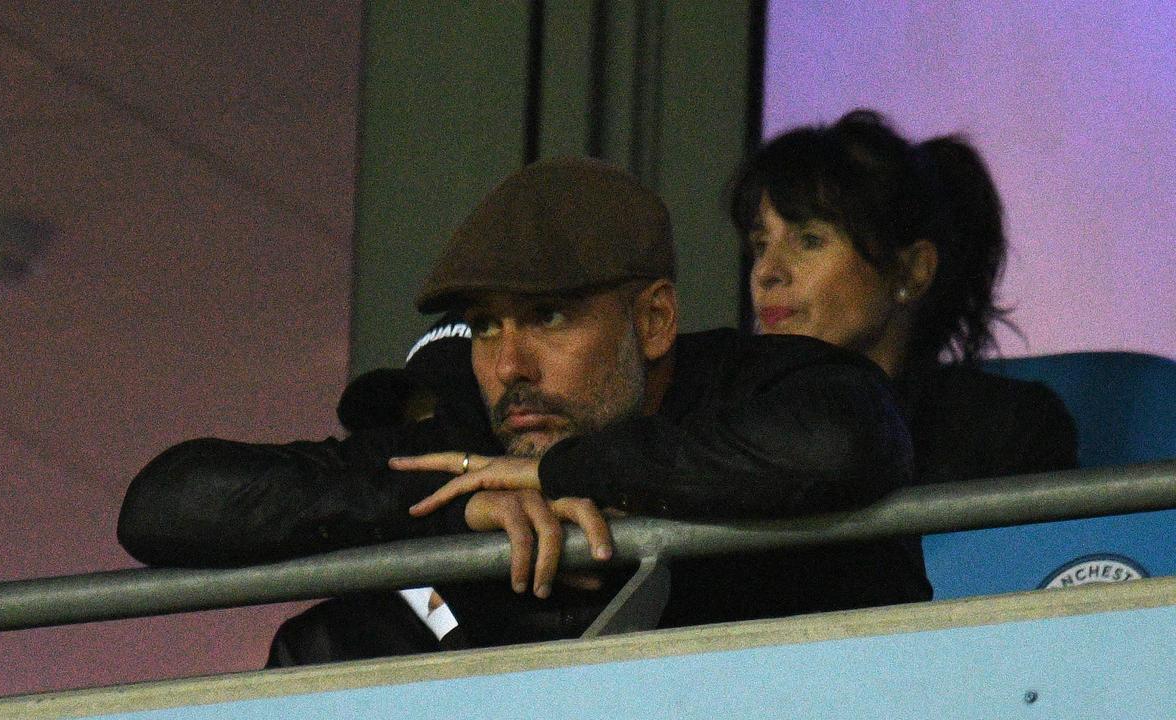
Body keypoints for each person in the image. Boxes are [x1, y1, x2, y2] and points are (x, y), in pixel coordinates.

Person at [117, 157, 929, 665]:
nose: (508, 365)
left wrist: (567, 473)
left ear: (652, 321)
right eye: (487, 326)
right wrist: (459, 506)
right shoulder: (469, 438)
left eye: (548, 318)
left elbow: (846, 441)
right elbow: (165, 504)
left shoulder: (752, 380)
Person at [727, 111, 1077, 485]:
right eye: (761, 245)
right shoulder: (731, 422)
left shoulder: (1008, 431)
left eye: (809, 240)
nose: (767, 272)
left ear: (912, 271)